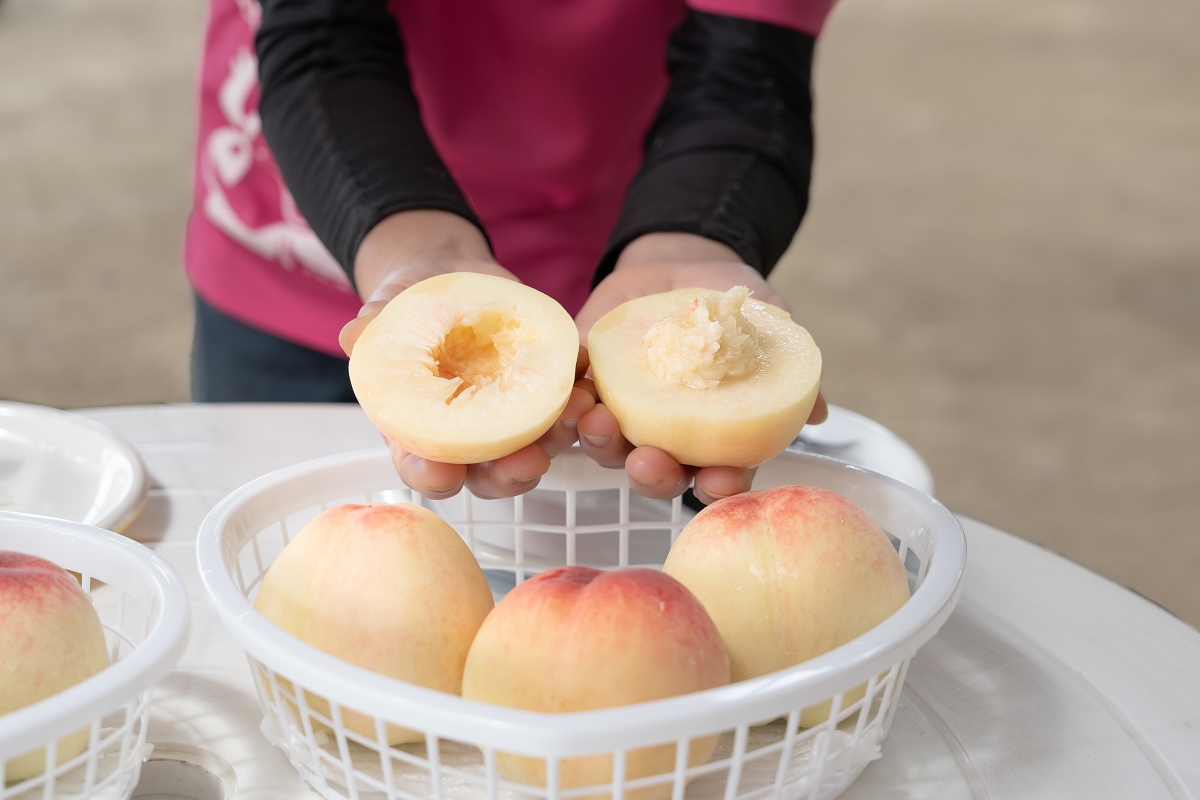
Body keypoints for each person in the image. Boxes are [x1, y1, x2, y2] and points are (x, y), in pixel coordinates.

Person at [184, 0, 829, 505]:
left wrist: (696, 233)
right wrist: (416, 245)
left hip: (613, 258)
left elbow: (746, 67)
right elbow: (322, 34)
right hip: (307, 246)